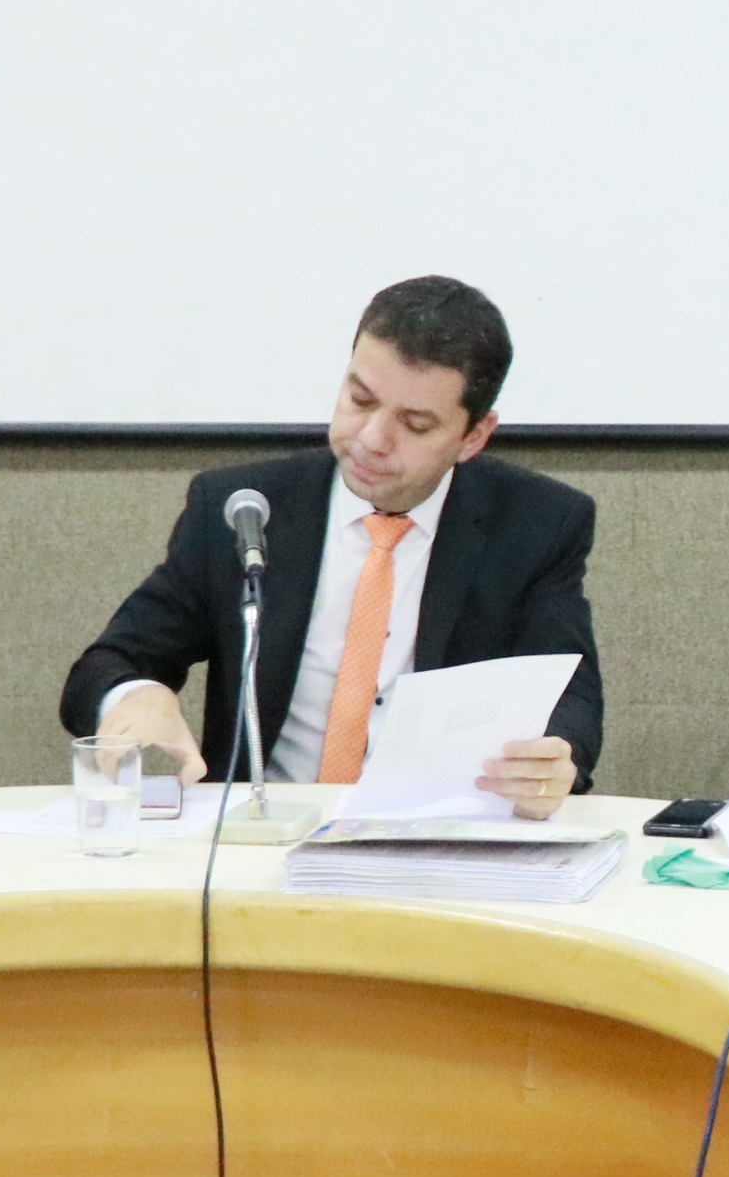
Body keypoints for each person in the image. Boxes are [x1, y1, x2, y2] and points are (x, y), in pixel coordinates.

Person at [64, 277, 599, 813]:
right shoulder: (245, 508)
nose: (371, 438)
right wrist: (134, 695)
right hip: (264, 830)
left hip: (433, 828)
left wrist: (552, 758)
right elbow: (109, 663)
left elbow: (568, 692)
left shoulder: (537, 524)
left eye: (414, 424)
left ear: (473, 436)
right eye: (360, 399)